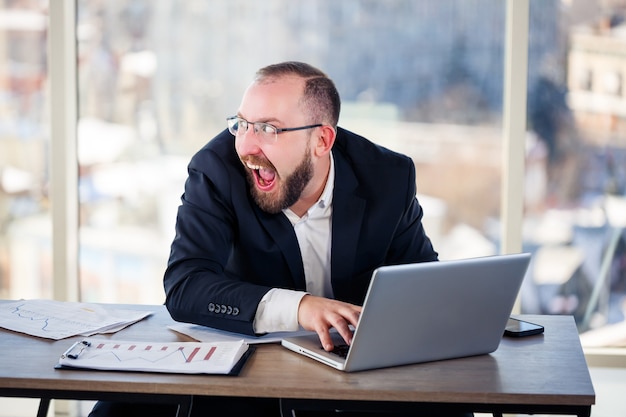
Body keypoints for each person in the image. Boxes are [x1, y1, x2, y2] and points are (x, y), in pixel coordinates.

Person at [89, 61, 466, 417]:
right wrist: (300, 307)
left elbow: (420, 286)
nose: (247, 147)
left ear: (322, 140)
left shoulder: (388, 176)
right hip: (249, 379)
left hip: (357, 380)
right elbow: (186, 286)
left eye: (269, 129)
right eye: (241, 124)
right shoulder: (217, 169)